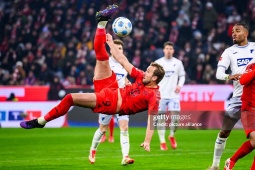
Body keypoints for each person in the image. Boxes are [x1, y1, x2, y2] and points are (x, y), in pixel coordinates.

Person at [20, 4, 165, 153]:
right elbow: (123, 61)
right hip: (114, 87)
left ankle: (41, 121)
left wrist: (147, 141)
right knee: (102, 57)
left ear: (154, 78)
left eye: (148, 72)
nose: (144, 72)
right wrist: (111, 45)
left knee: (70, 98)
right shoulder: (142, 77)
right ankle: (101, 23)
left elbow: (151, 121)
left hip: (112, 102)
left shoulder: (154, 96)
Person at [207, 22, 255, 170]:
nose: (233, 33)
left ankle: (231, 162)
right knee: (224, 131)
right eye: (232, 31)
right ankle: (215, 165)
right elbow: (218, 73)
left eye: (237, 31)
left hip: (253, 97)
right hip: (238, 98)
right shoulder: (229, 52)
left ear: (245, 33)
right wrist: (229, 76)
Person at [89, 39, 134, 165]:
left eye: (120, 49)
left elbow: (124, 79)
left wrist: (127, 83)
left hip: (122, 100)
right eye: (116, 48)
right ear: (111, 50)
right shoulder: (105, 63)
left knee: (124, 128)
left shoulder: (125, 64)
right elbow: (96, 78)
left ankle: (125, 156)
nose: (119, 50)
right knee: (102, 129)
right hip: (107, 100)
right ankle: (93, 150)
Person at [223, 61, 255, 170]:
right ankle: (232, 160)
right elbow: (243, 80)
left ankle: (231, 161)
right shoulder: (252, 66)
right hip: (249, 110)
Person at [154, 41, 185, 150]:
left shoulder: (178, 63)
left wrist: (179, 85)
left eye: (170, 49)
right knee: (161, 119)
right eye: (167, 48)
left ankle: (171, 135)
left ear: (173, 51)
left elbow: (182, 76)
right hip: (161, 96)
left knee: (175, 118)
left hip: (173, 95)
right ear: (164, 50)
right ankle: (162, 142)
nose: (168, 51)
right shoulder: (158, 63)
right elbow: (153, 78)